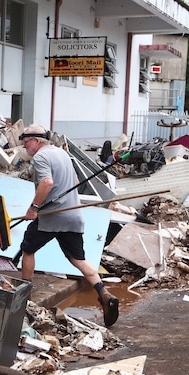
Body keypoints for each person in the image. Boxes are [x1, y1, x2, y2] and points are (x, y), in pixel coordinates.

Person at [18, 123, 119, 326]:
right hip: (72, 214)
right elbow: (73, 179)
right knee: (78, 259)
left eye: (26, 142)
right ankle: (104, 293)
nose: (25, 146)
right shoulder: (62, 153)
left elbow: (47, 183)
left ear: (37, 141)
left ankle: (25, 302)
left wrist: (34, 208)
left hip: (50, 216)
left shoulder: (40, 157)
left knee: (27, 250)